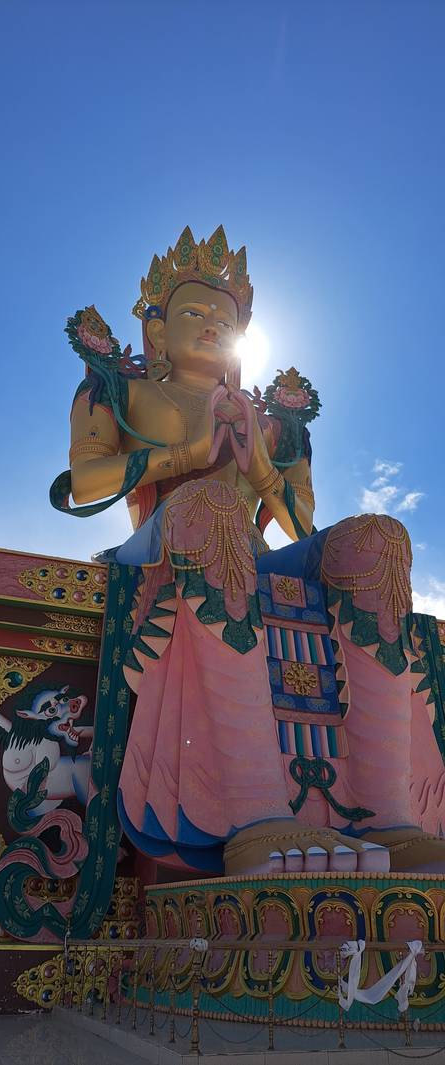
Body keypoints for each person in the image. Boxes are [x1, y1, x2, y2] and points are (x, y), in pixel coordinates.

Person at [51, 226, 445, 875]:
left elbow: (299, 522)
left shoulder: (267, 419)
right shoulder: (122, 389)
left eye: (223, 317)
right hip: (162, 542)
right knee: (213, 506)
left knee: (378, 541)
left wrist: (260, 461)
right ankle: (255, 810)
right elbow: (82, 485)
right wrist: (186, 458)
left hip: (249, 550)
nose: (210, 325)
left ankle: (386, 815)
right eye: (193, 312)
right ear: (155, 331)